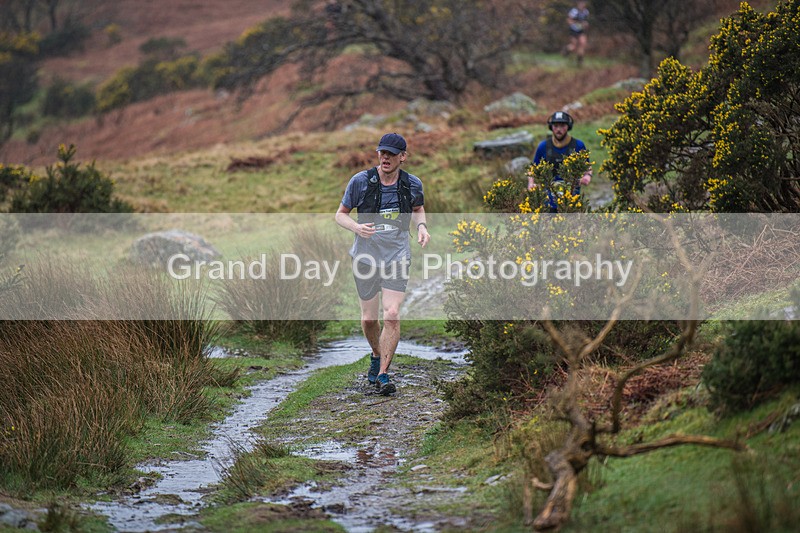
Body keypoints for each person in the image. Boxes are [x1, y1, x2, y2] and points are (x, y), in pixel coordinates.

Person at [335, 133, 430, 396]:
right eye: (382, 153)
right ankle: (377, 353)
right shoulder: (361, 182)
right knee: (368, 319)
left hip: (397, 257)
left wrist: (421, 227)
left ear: (403, 156)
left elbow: (418, 208)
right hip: (365, 257)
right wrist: (356, 226)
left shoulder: (412, 184)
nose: (385, 157)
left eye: (391, 153)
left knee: (391, 314)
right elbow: (340, 215)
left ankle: (383, 374)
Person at [528, 111, 591, 210]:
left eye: (562, 126)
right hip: (548, 198)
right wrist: (531, 183)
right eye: (555, 126)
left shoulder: (578, 145)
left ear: (568, 126)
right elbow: (532, 168)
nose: (559, 129)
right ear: (551, 127)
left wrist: (587, 176)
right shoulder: (543, 147)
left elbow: (588, 166)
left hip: (572, 196)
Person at [566, 1, 589, 66]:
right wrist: (576, 23)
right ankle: (566, 50)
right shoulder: (574, 11)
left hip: (581, 31)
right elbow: (569, 20)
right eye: (580, 4)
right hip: (573, 30)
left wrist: (586, 24)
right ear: (578, 4)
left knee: (582, 43)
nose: (582, 5)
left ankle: (580, 61)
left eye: (583, 3)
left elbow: (585, 21)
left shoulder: (586, 12)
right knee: (574, 46)